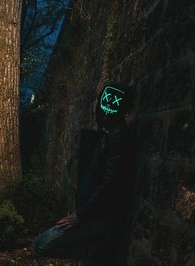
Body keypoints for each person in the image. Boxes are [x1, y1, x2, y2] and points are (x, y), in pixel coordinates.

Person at [32, 82, 135, 265]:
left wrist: (82, 215)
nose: (106, 108)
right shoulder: (108, 135)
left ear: (123, 108)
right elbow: (94, 177)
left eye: (113, 103)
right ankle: (94, 252)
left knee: (41, 244)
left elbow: (111, 182)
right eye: (105, 101)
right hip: (91, 213)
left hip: (98, 217)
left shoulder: (118, 136)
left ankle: (96, 251)